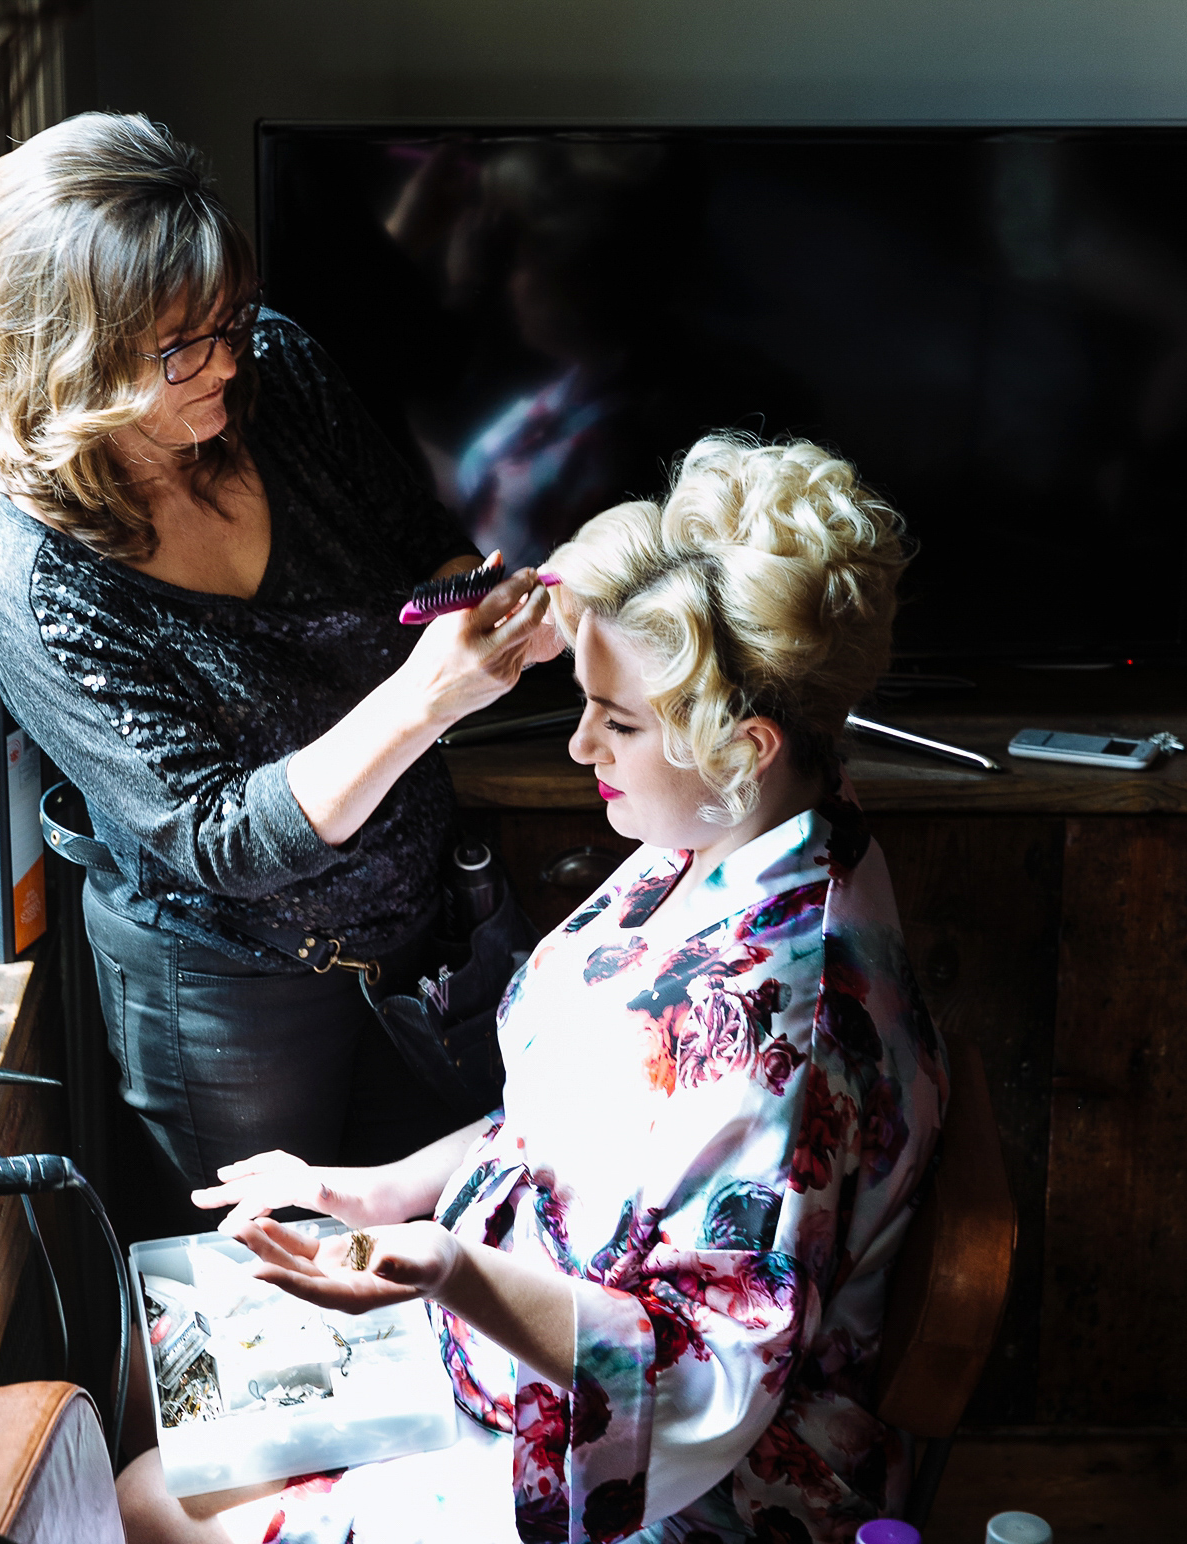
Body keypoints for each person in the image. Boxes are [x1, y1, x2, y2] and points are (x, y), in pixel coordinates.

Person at [117, 434, 948, 1544]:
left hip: (674, 1466)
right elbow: (567, 1117)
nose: (577, 744)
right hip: (521, 1320)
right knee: (160, 1358)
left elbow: (700, 1387)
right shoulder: (732, 825)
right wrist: (380, 1189)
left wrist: (449, 1269)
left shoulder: (772, 1025)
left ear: (742, 744)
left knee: (152, 1498)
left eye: (618, 720)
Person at [0, 112, 558, 1213]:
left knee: (437, 1226)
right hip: (228, 990)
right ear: (72, 360)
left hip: (418, 926)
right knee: (273, 1274)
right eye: (181, 347)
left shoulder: (276, 374)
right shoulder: (37, 577)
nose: (230, 359)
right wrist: (425, 697)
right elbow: (218, 840)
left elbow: (409, 535)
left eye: (231, 317)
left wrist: (477, 598)